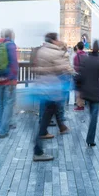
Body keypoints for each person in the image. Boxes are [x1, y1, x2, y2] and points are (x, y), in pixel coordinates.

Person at [33, 33, 73, 161]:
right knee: (47, 117)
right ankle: (38, 151)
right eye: (57, 39)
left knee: (50, 112)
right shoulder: (54, 52)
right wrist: (74, 73)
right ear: (54, 40)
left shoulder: (42, 50)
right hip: (52, 89)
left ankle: (61, 126)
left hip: (43, 87)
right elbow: (64, 69)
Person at [73, 42, 87, 110]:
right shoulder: (86, 55)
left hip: (78, 75)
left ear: (77, 47)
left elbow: (75, 67)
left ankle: (80, 105)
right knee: (83, 90)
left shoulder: (76, 56)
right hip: (85, 75)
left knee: (78, 91)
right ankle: (83, 104)